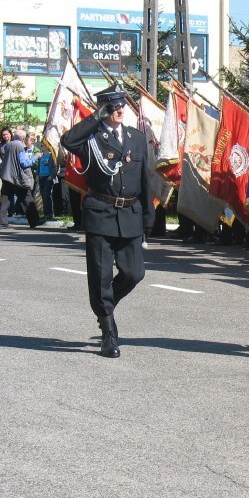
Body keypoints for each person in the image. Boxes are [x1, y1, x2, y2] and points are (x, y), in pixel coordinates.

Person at [60, 83, 154, 358]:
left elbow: (144, 180)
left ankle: (104, 306)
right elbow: (68, 141)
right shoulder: (91, 139)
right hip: (100, 213)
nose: (119, 110)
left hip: (131, 214)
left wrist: (149, 217)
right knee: (100, 278)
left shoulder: (136, 138)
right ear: (103, 109)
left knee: (134, 273)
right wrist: (96, 117)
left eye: (122, 105)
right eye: (113, 106)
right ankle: (108, 330)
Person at [1, 128, 41, 228]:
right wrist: (36, 156)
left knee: (5, 201)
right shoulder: (19, 147)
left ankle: (2, 222)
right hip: (17, 178)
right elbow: (25, 163)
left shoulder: (7, 146)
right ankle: (34, 221)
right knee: (27, 199)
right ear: (23, 139)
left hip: (6, 176)